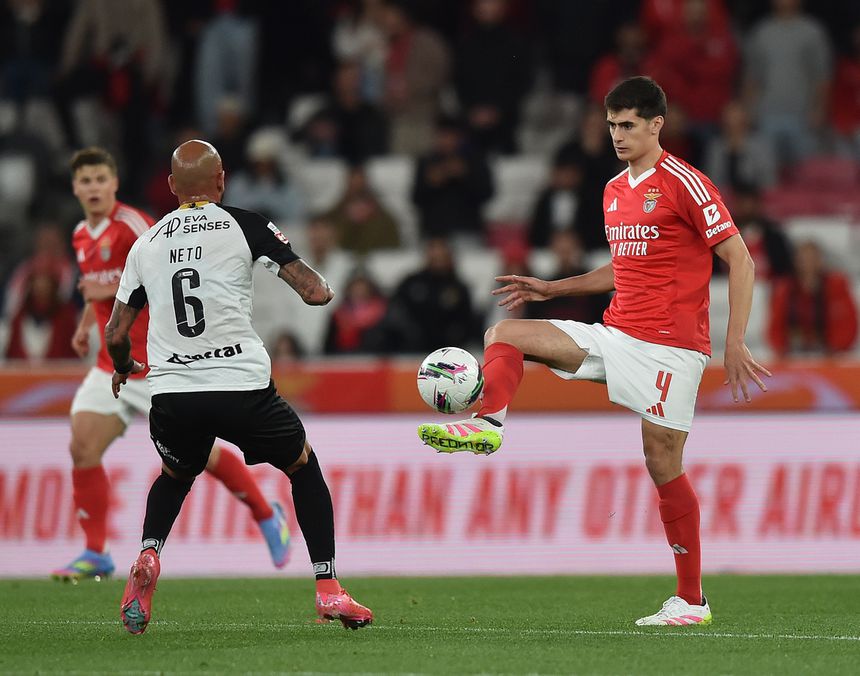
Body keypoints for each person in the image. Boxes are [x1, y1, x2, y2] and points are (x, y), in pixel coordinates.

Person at [418, 77, 771, 626]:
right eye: (611, 125)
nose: (617, 135)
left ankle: (691, 601)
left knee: (662, 462)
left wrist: (734, 340)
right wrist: (553, 288)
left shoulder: (686, 182)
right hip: (616, 333)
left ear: (656, 124)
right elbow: (624, 268)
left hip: (672, 348)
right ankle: (488, 423)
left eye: (628, 125)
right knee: (504, 333)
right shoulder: (613, 190)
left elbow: (740, 259)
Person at [107, 140, 372, 634]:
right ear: (221, 180)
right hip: (240, 387)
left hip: (173, 393)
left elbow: (116, 335)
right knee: (302, 465)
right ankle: (328, 587)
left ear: (172, 186)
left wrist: (124, 366)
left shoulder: (146, 243)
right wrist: (328, 287)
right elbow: (314, 292)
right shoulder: (243, 224)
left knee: (174, 475)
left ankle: (148, 552)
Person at [52, 147, 289, 582]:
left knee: (201, 456)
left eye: (100, 179)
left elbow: (164, 267)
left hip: (159, 361)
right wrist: (87, 323)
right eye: (85, 181)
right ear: (75, 188)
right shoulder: (82, 234)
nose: (93, 188)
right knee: (82, 446)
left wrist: (104, 291)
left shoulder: (136, 225)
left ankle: (265, 512)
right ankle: (96, 550)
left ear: (114, 183)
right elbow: (102, 293)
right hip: (113, 361)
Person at [767, 240, 858, 356]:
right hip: (792, 353)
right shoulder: (784, 288)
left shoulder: (836, 286)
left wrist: (836, 349)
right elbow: (775, 324)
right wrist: (782, 349)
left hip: (830, 353)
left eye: (812, 258)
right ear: (796, 261)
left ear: (820, 260)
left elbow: (849, 322)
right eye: (804, 259)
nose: (809, 263)